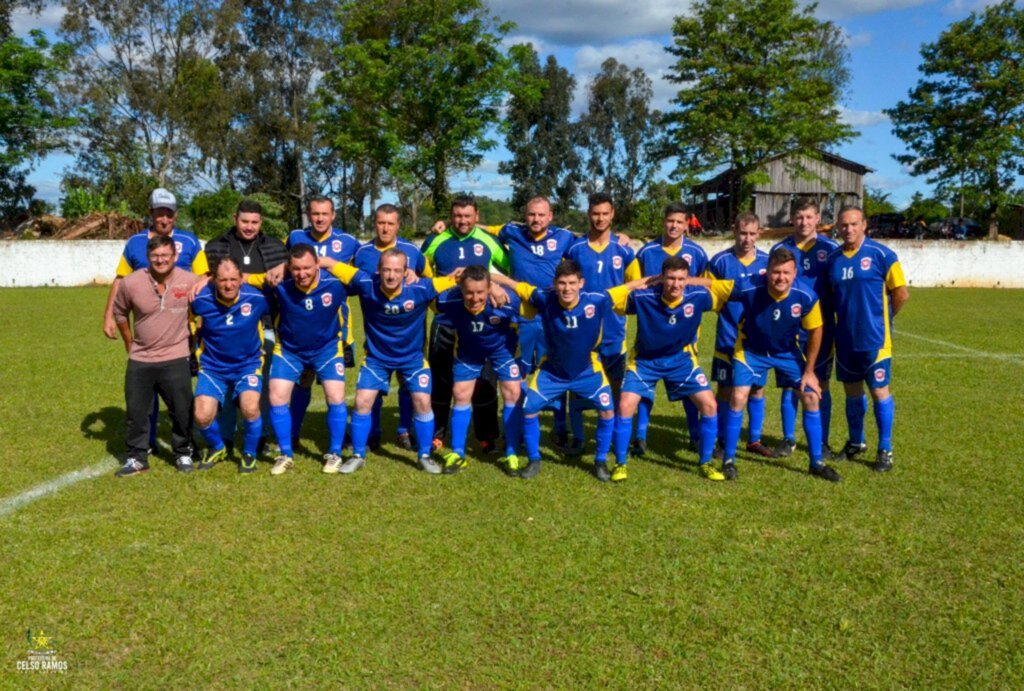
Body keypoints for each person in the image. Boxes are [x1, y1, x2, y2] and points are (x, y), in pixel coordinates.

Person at [492, 260, 649, 481]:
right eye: (562, 283)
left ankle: (601, 460)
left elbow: (630, 285)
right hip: (552, 372)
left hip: (587, 371)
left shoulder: (597, 300)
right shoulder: (543, 298)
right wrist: (490, 283)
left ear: (581, 283)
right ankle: (534, 459)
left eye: (572, 283)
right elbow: (510, 281)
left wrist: (658, 280)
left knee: (607, 411)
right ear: (555, 283)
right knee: (529, 409)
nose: (567, 288)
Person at [323, 249, 460, 474]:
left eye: (397, 270)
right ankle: (358, 454)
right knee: (361, 402)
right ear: (378, 269)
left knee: (423, 402)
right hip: (377, 359)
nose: (391, 275)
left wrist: (491, 284)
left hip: (412, 360)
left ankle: (424, 455)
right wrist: (286, 266)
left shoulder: (421, 288)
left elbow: (461, 278)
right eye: (386, 269)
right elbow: (328, 262)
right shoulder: (365, 282)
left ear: (406, 272)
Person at [717, 248, 842, 483]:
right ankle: (729, 460)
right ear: (767, 273)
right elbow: (712, 285)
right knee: (738, 396)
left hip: (786, 353)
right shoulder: (749, 287)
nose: (780, 277)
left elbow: (816, 330)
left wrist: (809, 372)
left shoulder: (805, 296)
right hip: (751, 351)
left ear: (795, 273)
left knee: (811, 396)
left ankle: (817, 462)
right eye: (776, 272)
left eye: (786, 272)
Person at [102, 188, 203, 453]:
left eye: (169, 214)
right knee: (145, 383)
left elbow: (204, 278)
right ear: (151, 213)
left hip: (183, 326)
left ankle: (187, 441)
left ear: (175, 215)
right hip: (146, 324)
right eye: (160, 213)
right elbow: (121, 280)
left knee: (179, 388)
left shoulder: (190, 241)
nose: (164, 219)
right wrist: (108, 316)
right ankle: (147, 442)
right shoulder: (135, 243)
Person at [612, 256, 728, 482]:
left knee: (709, 405)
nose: (676, 284)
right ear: (662, 278)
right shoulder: (644, 298)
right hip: (645, 362)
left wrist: (696, 281)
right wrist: (642, 281)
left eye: (681, 279)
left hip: (680, 361)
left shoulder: (698, 296)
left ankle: (705, 462)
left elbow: (726, 288)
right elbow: (611, 296)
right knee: (625, 405)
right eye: (671, 278)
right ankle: (620, 463)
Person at [193, 200, 289, 453]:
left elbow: (287, 282)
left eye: (254, 222)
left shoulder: (275, 247)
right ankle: (225, 435)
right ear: (235, 218)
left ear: (261, 223)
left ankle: (261, 435)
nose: (249, 227)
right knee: (223, 387)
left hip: (265, 325)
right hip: (223, 326)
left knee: (261, 386)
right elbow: (203, 280)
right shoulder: (216, 246)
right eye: (244, 221)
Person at [246, 244, 351, 476]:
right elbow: (243, 278)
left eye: (307, 268)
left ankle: (334, 453)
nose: (301, 274)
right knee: (276, 396)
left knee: (335, 396)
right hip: (290, 350)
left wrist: (331, 263)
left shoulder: (335, 283)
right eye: (295, 269)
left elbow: (364, 277)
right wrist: (206, 280)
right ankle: (286, 453)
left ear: (317, 265)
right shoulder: (279, 282)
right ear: (288, 268)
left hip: (327, 349)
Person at [421, 196, 510, 453]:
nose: (463, 220)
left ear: (477, 216)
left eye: (467, 216)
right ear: (451, 216)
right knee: (441, 379)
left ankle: (487, 436)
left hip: (479, 322)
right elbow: (418, 269)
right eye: (458, 216)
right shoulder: (435, 240)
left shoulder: (488, 241)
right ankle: (438, 434)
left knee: (485, 380)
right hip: (446, 320)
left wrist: (492, 285)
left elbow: (508, 268)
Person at [826, 206, 909, 472]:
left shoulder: (882, 254)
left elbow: (901, 293)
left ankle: (885, 448)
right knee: (852, 393)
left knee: (878, 391)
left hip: (875, 340)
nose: (848, 229)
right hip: (846, 339)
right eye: (843, 225)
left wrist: (883, 319)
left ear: (864, 225)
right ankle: (855, 442)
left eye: (853, 224)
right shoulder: (834, 259)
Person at [111, 235, 202, 476]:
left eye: (165, 255)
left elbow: (213, 289)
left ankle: (183, 452)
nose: (160, 260)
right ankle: (137, 457)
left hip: (176, 355)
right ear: (148, 258)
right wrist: (130, 343)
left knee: (182, 409)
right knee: (137, 411)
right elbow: (119, 313)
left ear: (175, 256)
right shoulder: (131, 283)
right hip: (141, 358)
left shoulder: (191, 281)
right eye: (155, 256)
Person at [628, 201, 709, 456]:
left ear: (687, 224)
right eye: (670, 221)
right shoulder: (647, 252)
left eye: (679, 222)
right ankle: (640, 436)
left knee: (687, 385)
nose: (674, 226)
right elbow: (636, 284)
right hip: (652, 328)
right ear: (664, 222)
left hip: (685, 329)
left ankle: (695, 435)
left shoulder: (696, 253)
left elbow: (705, 285)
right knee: (645, 384)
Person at [562, 193, 639, 456]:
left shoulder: (625, 250)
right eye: (596, 213)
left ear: (612, 214)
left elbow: (635, 288)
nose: (600, 218)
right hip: (580, 331)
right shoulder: (574, 249)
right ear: (588, 214)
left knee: (616, 385)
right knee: (578, 382)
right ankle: (579, 436)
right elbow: (565, 284)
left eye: (605, 213)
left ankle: (618, 436)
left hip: (615, 330)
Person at [352, 204, 433, 451]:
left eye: (390, 223)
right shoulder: (362, 252)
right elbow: (350, 281)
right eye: (380, 222)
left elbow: (429, 279)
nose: (385, 227)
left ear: (398, 225)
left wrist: (417, 277)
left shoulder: (412, 250)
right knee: (373, 384)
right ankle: (373, 432)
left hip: (409, 329)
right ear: (374, 223)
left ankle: (403, 430)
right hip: (377, 332)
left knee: (408, 383)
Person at [284, 196, 360, 445]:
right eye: (315, 214)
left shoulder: (348, 242)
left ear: (333, 215)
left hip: (336, 328)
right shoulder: (295, 237)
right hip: (302, 324)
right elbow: (284, 266)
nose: (319, 218)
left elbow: (364, 272)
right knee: (303, 380)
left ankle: (341, 435)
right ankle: (293, 432)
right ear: (309, 214)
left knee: (333, 386)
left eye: (324, 214)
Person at [770, 197, 841, 459]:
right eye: (799, 217)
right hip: (788, 327)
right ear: (792, 219)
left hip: (821, 328)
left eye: (809, 217)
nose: (804, 222)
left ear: (818, 219)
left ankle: (821, 441)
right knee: (790, 384)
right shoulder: (781, 248)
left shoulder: (830, 248)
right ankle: (788, 439)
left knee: (820, 383)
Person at [435, 265, 523, 475]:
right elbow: (425, 292)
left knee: (513, 391)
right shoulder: (448, 300)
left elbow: (530, 311)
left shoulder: (507, 301)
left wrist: (496, 285)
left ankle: (511, 451)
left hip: (502, 351)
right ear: (460, 289)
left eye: (480, 292)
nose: (475, 298)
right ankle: (458, 453)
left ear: (489, 288)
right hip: (468, 352)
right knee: (460, 394)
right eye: (469, 292)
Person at [190, 257, 271, 473]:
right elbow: (186, 322)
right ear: (213, 279)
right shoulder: (200, 300)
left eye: (234, 279)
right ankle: (218, 447)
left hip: (248, 365)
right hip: (212, 367)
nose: (228, 285)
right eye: (223, 279)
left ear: (241, 279)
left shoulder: (256, 298)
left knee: (250, 408)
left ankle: (249, 454)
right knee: (201, 415)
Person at [708, 212, 771, 458]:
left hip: (757, 340)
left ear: (759, 234)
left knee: (757, 388)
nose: (747, 239)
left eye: (752, 234)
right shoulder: (719, 262)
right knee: (725, 388)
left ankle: (754, 439)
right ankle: (722, 438)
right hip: (727, 335)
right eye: (742, 233)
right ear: (735, 232)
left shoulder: (768, 262)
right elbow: (711, 298)